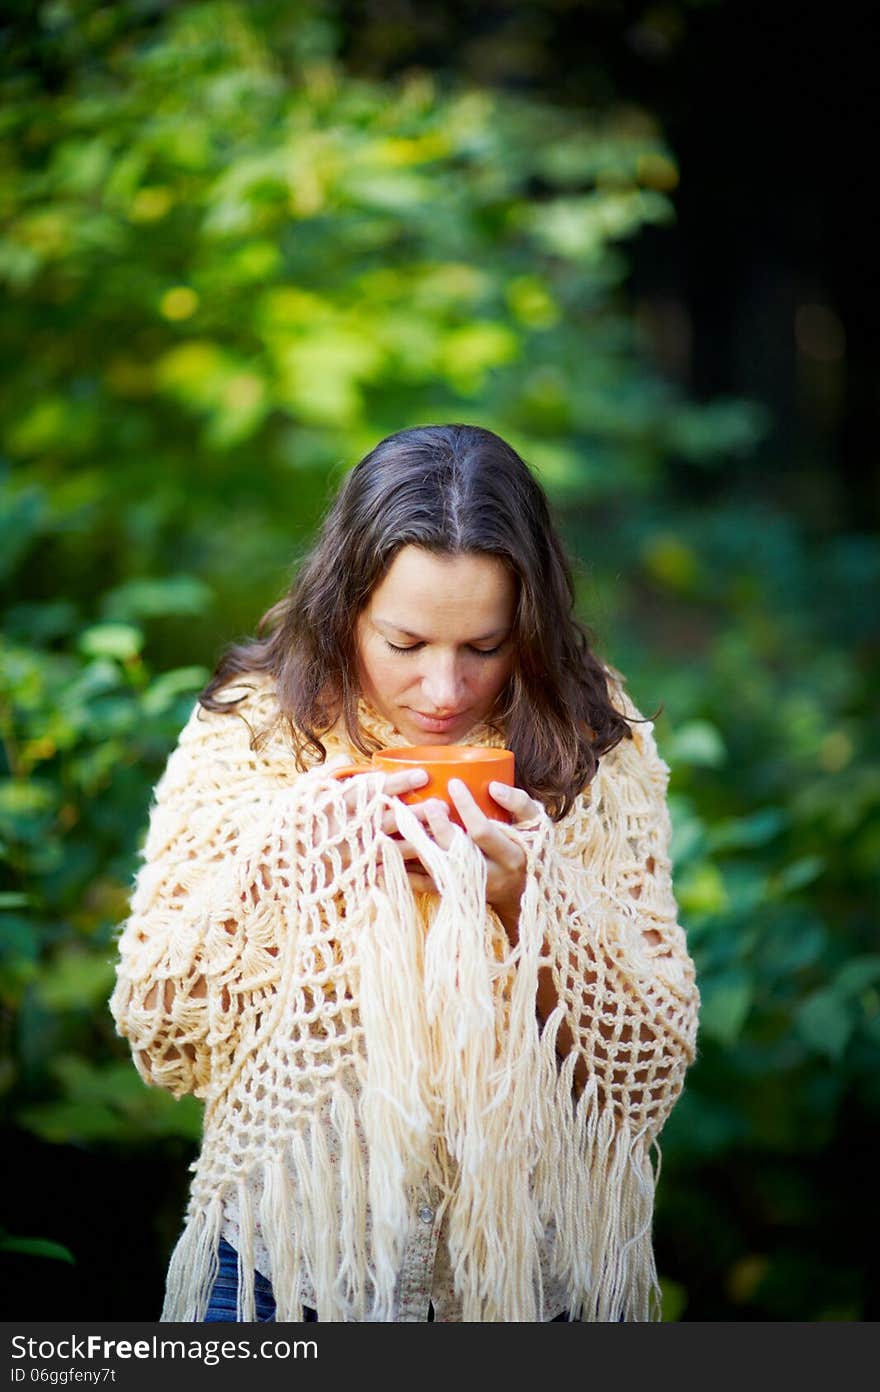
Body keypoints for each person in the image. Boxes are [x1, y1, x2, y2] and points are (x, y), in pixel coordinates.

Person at [110, 423, 700, 1323]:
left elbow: (647, 1068)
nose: (443, 689)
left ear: (529, 626)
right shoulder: (255, 731)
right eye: (407, 642)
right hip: (288, 1269)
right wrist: (302, 855)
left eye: (485, 647)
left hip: (526, 1287)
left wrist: (527, 905)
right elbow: (162, 1031)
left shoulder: (593, 736)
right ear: (346, 605)